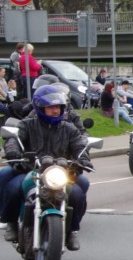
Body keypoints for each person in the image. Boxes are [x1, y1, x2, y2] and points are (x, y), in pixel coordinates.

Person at [2, 85, 91, 250]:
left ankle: (72, 231)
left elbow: (80, 146)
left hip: (61, 171)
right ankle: (11, 224)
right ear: (40, 108)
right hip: (32, 169)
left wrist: (83, 159)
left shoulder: (69, 128)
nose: (55, 110)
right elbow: (14, 140)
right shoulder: (27, 124)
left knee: (77, 194)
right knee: (13, 188)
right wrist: (14, 152)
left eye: (58, 107)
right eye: (50, 107)